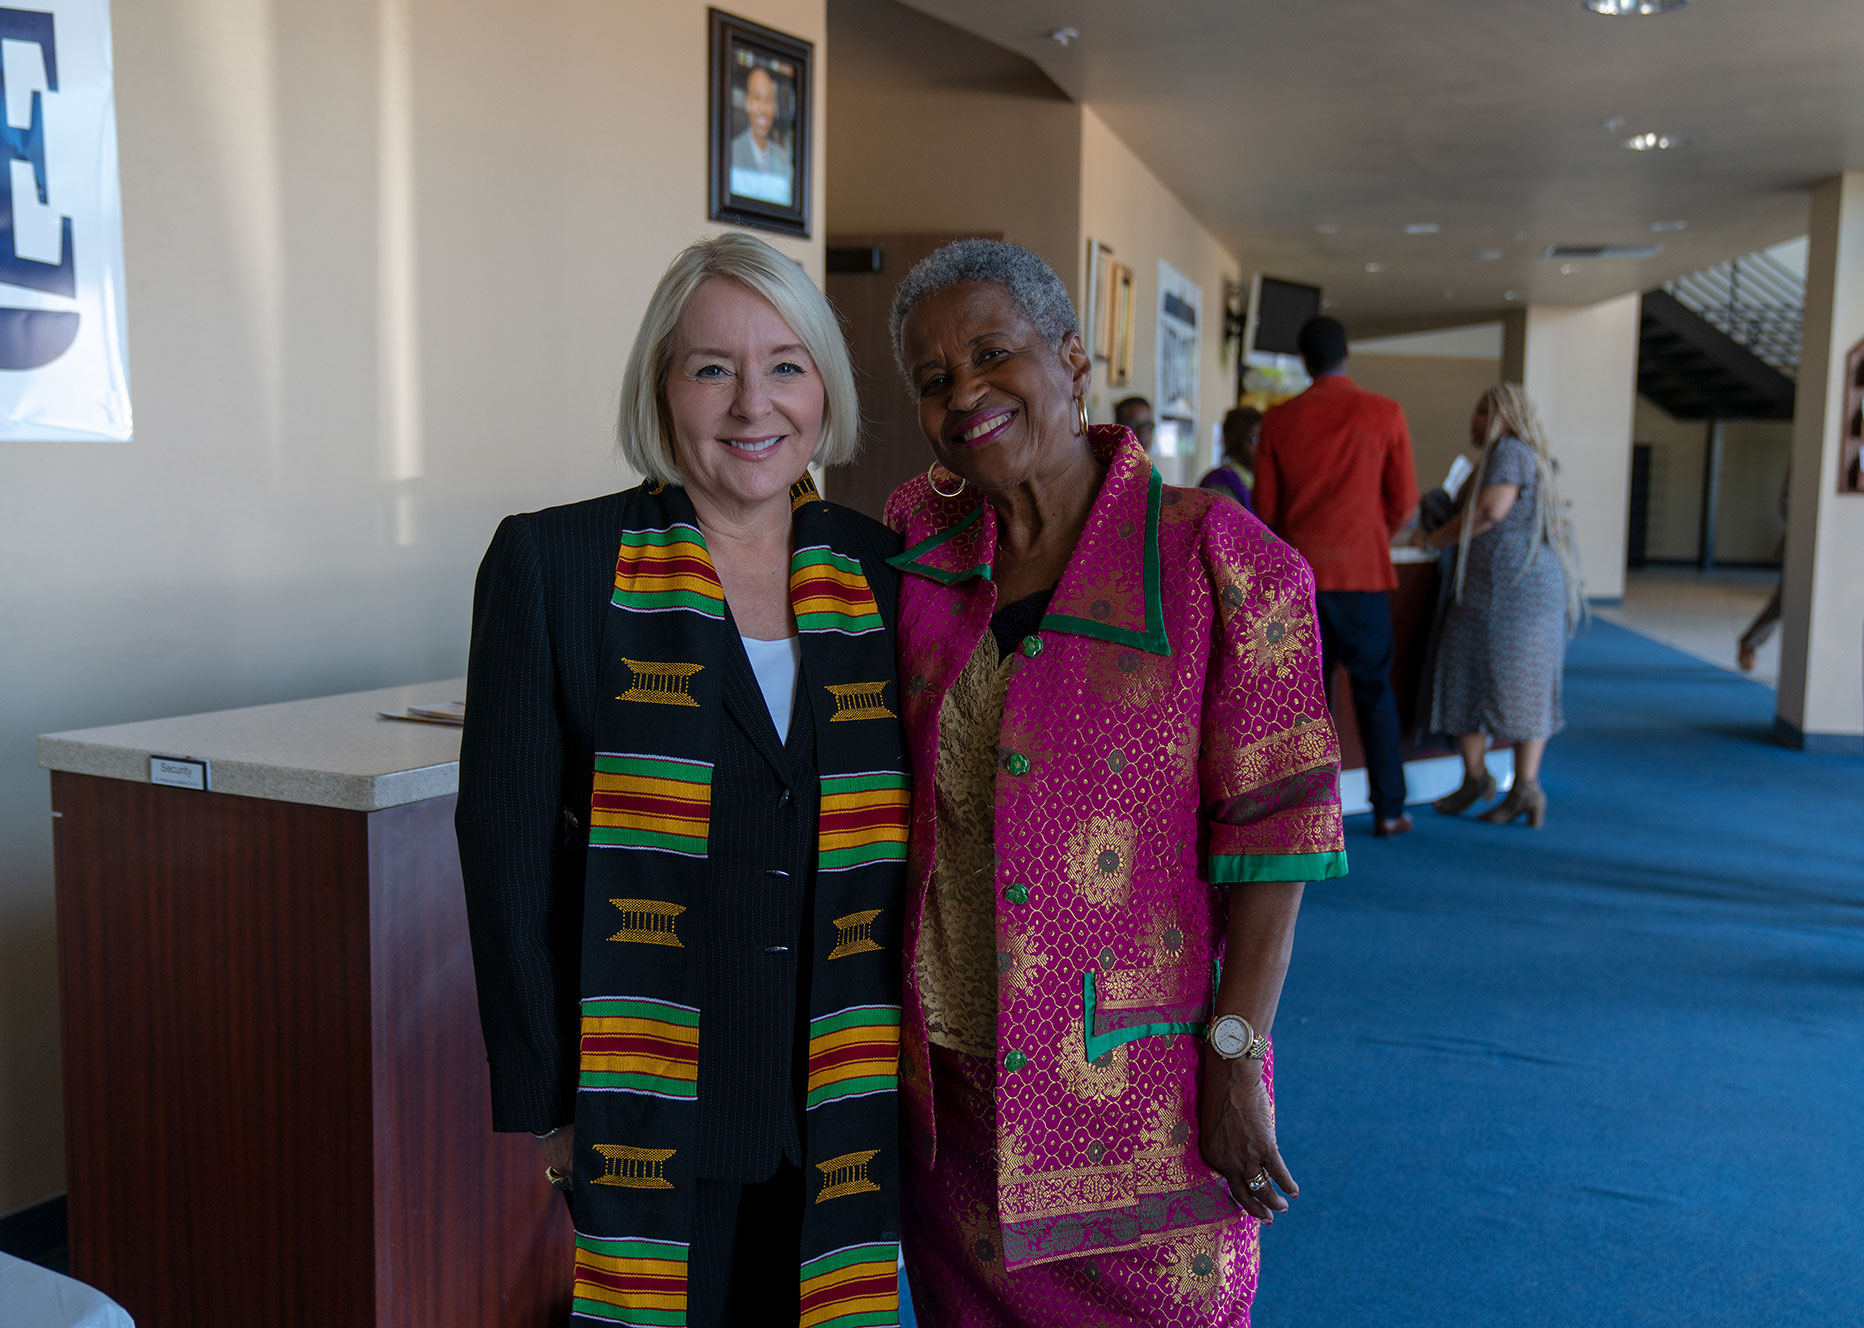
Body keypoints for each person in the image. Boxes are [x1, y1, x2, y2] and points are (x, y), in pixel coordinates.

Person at [883, 239, 1348, 1327]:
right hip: (952, 1096)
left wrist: (1236, 1059)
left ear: (1072, 359)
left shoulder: (1225, 564)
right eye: (934, 378)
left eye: (991, 353)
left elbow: (1276, 838)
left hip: (1141, 1096)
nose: (965, 394)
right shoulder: (913, 543)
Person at [455, 233, 908, 1327]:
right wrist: (552, 1103)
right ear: (662, 387)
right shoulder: (554, 564)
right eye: (712, 368)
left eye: (786, 365)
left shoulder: (886, 573)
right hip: (652, 1106)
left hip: (844, 1095)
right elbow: (506, 857)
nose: (753, 402)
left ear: (824, 387)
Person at [1255, 315, 1419, 837]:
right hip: (1364, 578)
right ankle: (1389, 809)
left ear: (1303, 360)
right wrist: (1369, 536)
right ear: (1346, 352)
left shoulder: (1278, 421)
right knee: (1375, 694)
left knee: (1306, 705)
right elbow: (1405, 502)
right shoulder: (1385, 412)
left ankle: (1309, 819)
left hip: (1301, 581)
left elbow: (1265, 512)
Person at [1416, 383, 1580, 828]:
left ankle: (1513, 786)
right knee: (1474, 675)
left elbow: (1490, 511)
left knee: (1511, 685)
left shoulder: (1508, 451)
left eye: (1483, 411)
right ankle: (1495, 781)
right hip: (1503, 593)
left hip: (1513, 595)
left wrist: (1433, 539)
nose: (1474, 420)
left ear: (1506, 417)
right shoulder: (1521, 456)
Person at [730, 66, 793, 205]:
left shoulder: (783, 158)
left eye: (768, 100)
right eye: (757, 99)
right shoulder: (733, 151)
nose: (763, 109)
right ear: (747, 103)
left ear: (774, 107)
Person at [1200, 405, 1260, 511]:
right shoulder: (1220, 480)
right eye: (1255, 440)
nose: (1261, 447)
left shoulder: (1258, 480)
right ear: (1236, 442)